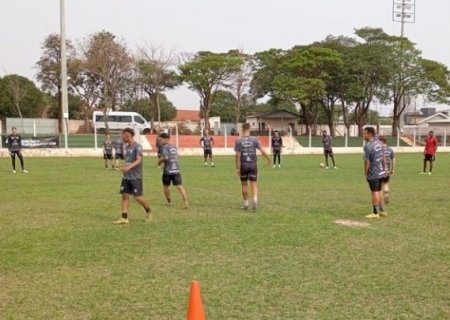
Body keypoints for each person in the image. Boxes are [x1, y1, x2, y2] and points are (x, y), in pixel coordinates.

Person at [113, 128, 152, 225]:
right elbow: (128, 161)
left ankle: (149, 211)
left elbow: (139, 160)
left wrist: (129, 167)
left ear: (127, 135)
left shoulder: (137, 146)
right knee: (125, 196)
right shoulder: (126, 147)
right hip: (126, 177)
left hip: (135, 177)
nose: (121, 137)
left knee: (138, 197)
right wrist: (124, 167)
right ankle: (124, 218)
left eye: (123, 135)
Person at [234, 123, 271, 211]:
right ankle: (255, 200)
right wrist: (268, 159)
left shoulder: (238, 140)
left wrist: (237, 168)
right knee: (254, 184)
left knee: (244, 184)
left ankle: (246, 204)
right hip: (253, 164)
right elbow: (262, 150)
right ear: (249, 129)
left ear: (242, 129)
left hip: (244, 164)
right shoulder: (254, 139)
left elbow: (237, 156)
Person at [158, 133, 189, 209]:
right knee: (180, 186)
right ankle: (186, 202)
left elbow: (166, 157)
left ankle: (169, 201)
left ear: (166, 139)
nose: (160, 141)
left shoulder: (165, 147)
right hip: (176, 169)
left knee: (166, 186)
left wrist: (159, 162)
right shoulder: (174, 146)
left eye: (161, 139)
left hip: (168, 170)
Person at [363, 127, 388, 219]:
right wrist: (385, 169)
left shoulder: (368, 146)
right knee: (379, 190)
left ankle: (375, 212)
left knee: (374, 192)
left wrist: (366, 173)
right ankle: (382, 211)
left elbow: (367, 162)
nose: (363, 135)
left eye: (365, 133)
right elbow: (384, 157)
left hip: (373, 172)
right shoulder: (380, 143)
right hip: (382, 171)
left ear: (370, 134)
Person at [379, 136, 396, 206]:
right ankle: (386, 191)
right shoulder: (390, 150)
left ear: (382, 141)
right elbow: (394, 160)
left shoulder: (378, 149)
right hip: (387, 169)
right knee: (386, 183)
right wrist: (393, 169)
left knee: (379, 186)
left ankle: (381, 201)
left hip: (379, 170)